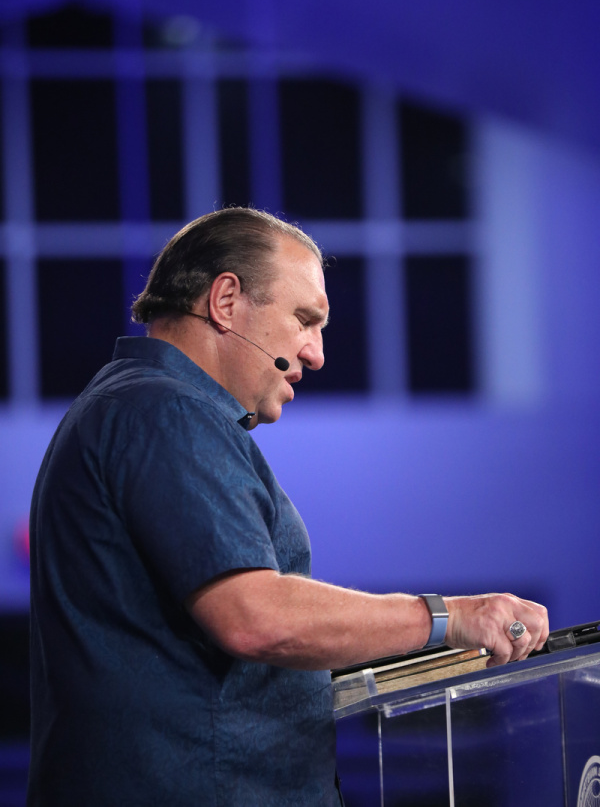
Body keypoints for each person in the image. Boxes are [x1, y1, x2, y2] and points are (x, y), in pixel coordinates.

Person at [28, 207, 548, 806]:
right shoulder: (166, 411)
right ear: (225, 302)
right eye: (304, 320)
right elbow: (255, 618)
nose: (317, 353)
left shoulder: (128, 405)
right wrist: (448, 617)